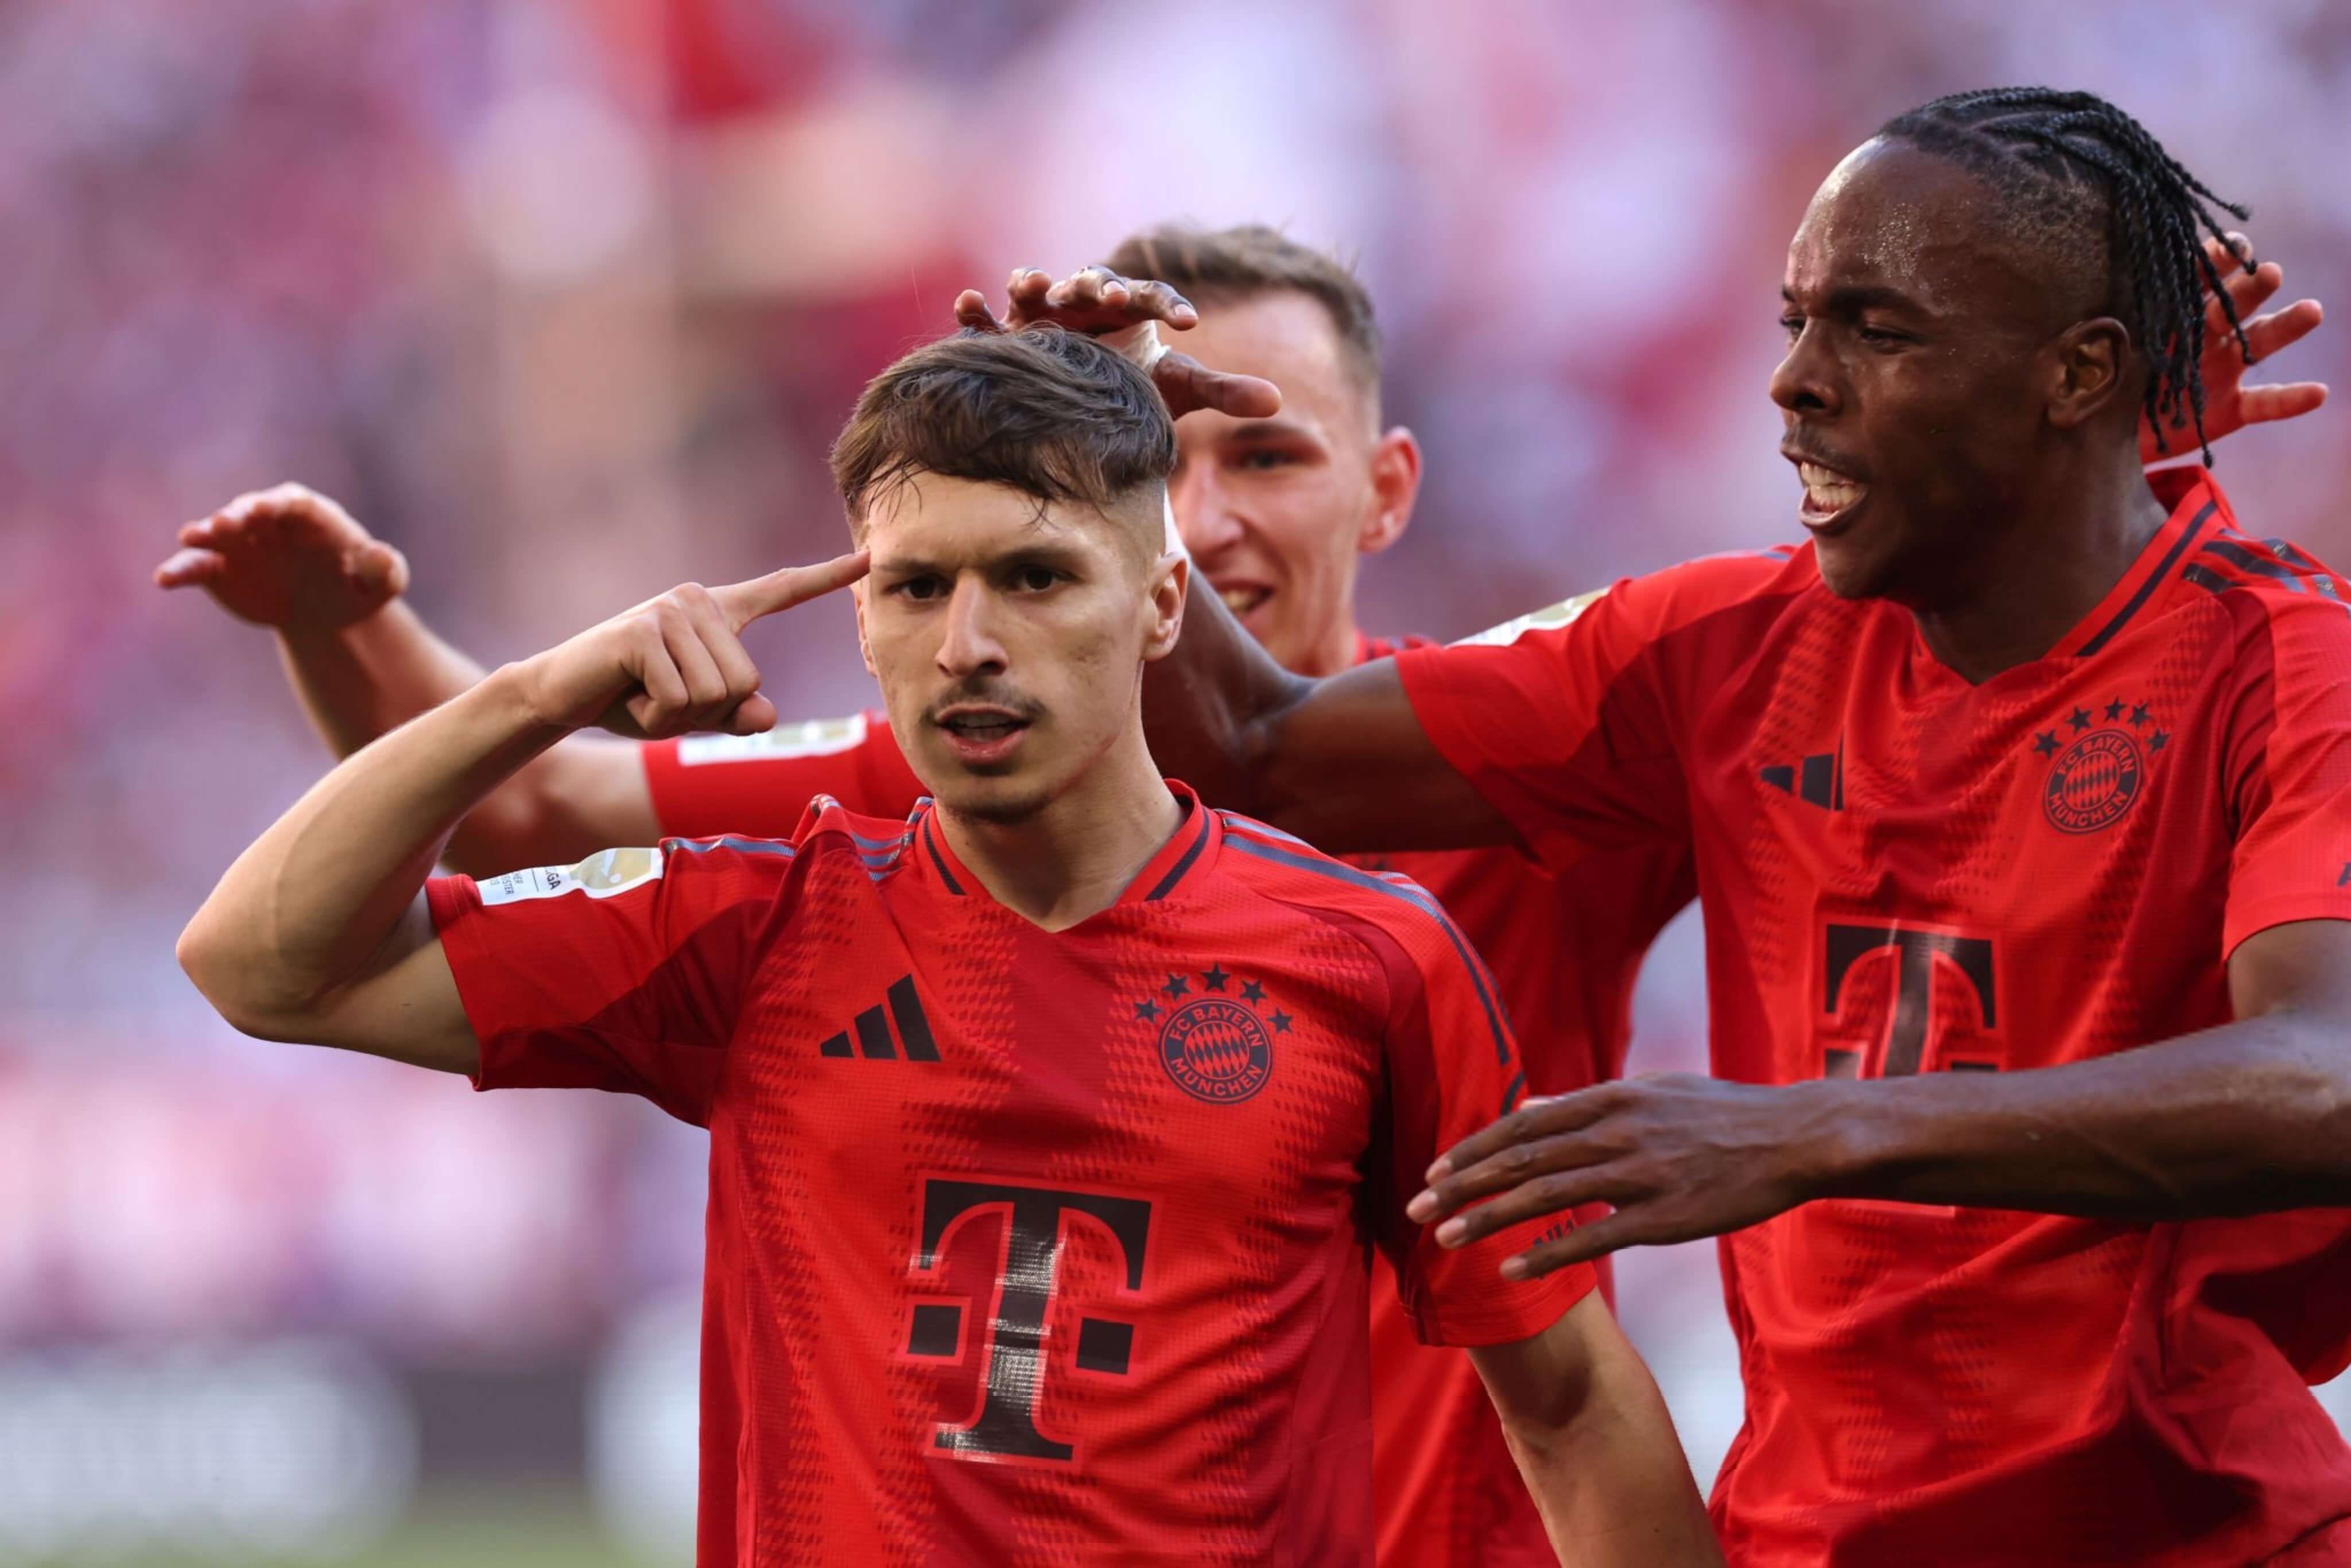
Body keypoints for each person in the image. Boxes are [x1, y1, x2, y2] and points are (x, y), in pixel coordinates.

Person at [156, 213, 2318, 1563]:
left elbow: (1982, 687)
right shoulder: (889, 816)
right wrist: (363, 635)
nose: (1207, 503)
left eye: (1258, 447)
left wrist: (2070, 445)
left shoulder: (1531, 772)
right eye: (1155, 454)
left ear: (1381, 482)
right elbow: (506, 822)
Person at [174, 325, 1720, 1565]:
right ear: (864, 626)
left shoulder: (1374, 958)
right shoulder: (753, 927)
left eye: (1036, 577)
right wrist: (535, 691)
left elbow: (1572, 1399)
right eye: (917, 587)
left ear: (1164, 602)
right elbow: (261, 963)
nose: (968, 640)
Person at [1099, 88, 2351, 1564]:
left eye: (1876, 331)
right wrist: (1105, 444)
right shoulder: (1725, 644)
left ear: (2076, 373)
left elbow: (2322, 1082)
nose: (1793, 385)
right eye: (1795, 322)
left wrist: (1809, 1131)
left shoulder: (2284, 664)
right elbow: (1252, 745)